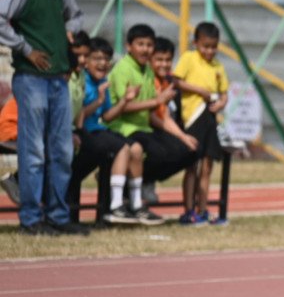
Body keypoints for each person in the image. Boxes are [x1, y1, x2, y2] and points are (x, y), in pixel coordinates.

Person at [0, 0, 88, 235]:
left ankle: (58, 217)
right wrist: (25, 48)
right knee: (34, 152)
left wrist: (69, 31)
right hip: (32, 78)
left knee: (62, 152)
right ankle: (31, 219)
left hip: (58, 79)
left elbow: (77, 16)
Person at [104, 24, 171, 226]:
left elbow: (151, 108)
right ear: (129, 46)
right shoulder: (123, 69)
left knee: (177, 151)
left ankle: (135, 200)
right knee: (140, 149)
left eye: (149, 45)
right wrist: (157, 101)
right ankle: (123, 202)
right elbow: (123, 107)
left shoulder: (147, 70)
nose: (145, 49)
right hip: (121, 126)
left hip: (142, 128)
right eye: (140, 44)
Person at [70, 37, 134, 224]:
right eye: (97, 58)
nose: (103, 63)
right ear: (86, 60)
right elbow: (78, 115)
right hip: (83, 132)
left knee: (123, 148)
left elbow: (107, 116)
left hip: (97, 130)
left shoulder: (103, 82)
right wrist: (97, 101)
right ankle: (116, 205)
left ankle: (106, 211)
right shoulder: (81, 80)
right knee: (121, 148)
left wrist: (124, 101)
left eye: (106, 59)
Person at [173, 22, 229, 224]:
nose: (209, 51)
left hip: (210, 119)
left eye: (213, 47)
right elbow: (176, 81)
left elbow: (224, 93)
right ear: (196, 43)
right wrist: (199, 91)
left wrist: (221, 103)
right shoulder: (189, 58)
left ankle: (203, 209)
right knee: (192, 166)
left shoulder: (218, 66)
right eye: (205, 46)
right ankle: (189, 210)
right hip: (192, 118)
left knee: (207, 167)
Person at [137, 36, 200, 211]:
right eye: (159, 60)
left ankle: (148, 179)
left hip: (161, 129)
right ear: (150, 60)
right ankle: (139, 180)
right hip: (144, 129)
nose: (164, 64)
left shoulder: (169, 82)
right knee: (164, 151)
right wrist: (181, 136)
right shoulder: (147, 79)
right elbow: (152, 116)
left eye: (168, 60)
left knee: (192, 151)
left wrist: (184, 136)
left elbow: (166, 115)